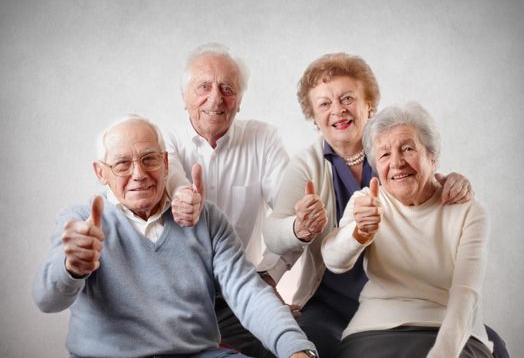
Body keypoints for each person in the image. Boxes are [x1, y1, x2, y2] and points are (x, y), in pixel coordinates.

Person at [263, 53, 507, 358]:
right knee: (308, 345)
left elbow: (424, 184)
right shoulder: (307, 166)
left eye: (347, 98)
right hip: (335, 301)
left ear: (369, 105)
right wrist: (297, 231)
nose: (338, 110)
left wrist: (452, 182)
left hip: (417, 302)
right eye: (325, 103)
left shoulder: (392, 146)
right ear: (314, 116)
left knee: (492, 345)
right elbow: (277, 236)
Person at [32, 116, 318, 358]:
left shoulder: (206, 219)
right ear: (100, 173)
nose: (139, 174)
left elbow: (249, 293)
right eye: (122, 164)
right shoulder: (81, 221)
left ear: (166, 163)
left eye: (149, 159)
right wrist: (71, 269)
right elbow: (47, 300)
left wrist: (295, 350)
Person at [321, 102, 492, 357]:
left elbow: (466, 294)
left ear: (432, 156)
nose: (397, 163)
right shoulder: (366, 202)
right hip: (375, 330)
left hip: (452, 332)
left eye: (408, 149)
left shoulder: (468, 211)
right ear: (376, 166)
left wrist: (443, 354)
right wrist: (359, 233)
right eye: (384, 154)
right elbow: (334, 260)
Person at [165, 43, 294, 357]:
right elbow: (174, 179)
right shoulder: (163, 141)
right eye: (204, 87)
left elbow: (293, 215)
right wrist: (183, 196)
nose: (215, 98)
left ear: (240, 100)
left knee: (277, 346)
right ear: (184, 97)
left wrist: (270, 275)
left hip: (239, 291)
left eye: (227, 88)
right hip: (178, 296)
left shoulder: (263, 139)